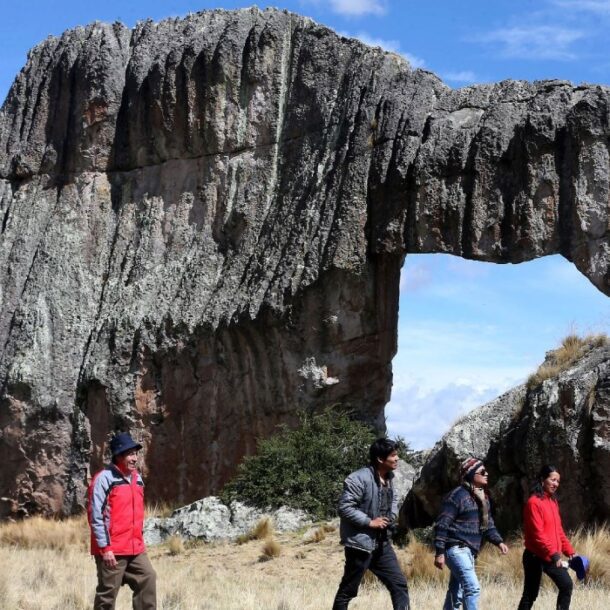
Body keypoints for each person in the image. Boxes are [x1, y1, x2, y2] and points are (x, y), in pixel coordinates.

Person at [332, 438, 410, 610]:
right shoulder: (358, 479)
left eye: (397, 454)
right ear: (380, 459)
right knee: (348, 591)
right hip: (360, 545)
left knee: (399, 585)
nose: (397, 458)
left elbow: (393, 501)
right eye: (393, 455)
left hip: (382, 544)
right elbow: (344, 507)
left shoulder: (390, 478)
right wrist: (370, 522)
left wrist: (391, 517)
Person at [88, 432, 157, 610]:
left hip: (135, 548)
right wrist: (105, 549)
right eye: (130, 454)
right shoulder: (103, 479)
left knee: (148, 578)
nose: (135, 458)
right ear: (118, 455)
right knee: (107, 596)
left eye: (136, 453)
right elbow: (96, 516)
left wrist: (140, 541)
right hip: (112, 550)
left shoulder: (138, 479)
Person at [433, 457, 508, 610]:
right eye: (482, 471)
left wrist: (499, 542)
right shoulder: (457, 496)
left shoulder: (483, 499)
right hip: (456, 549)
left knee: (456, 592)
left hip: (470, 552)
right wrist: (439, 552)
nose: (487, 474)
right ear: (471, 474)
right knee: (472, 588)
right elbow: (442, 524)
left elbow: (488, 526)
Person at [517, 465, 575, 610]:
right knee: (530, 594)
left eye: (558, 481)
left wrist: (570, 552)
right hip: (535, 556)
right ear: (543, 480)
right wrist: (555, 556)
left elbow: (559, 531)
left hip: (550, 555)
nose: (556, 484)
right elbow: (538, 535)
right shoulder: (533, 503)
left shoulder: (553, 501)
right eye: (553, 480)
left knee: (566, 585)